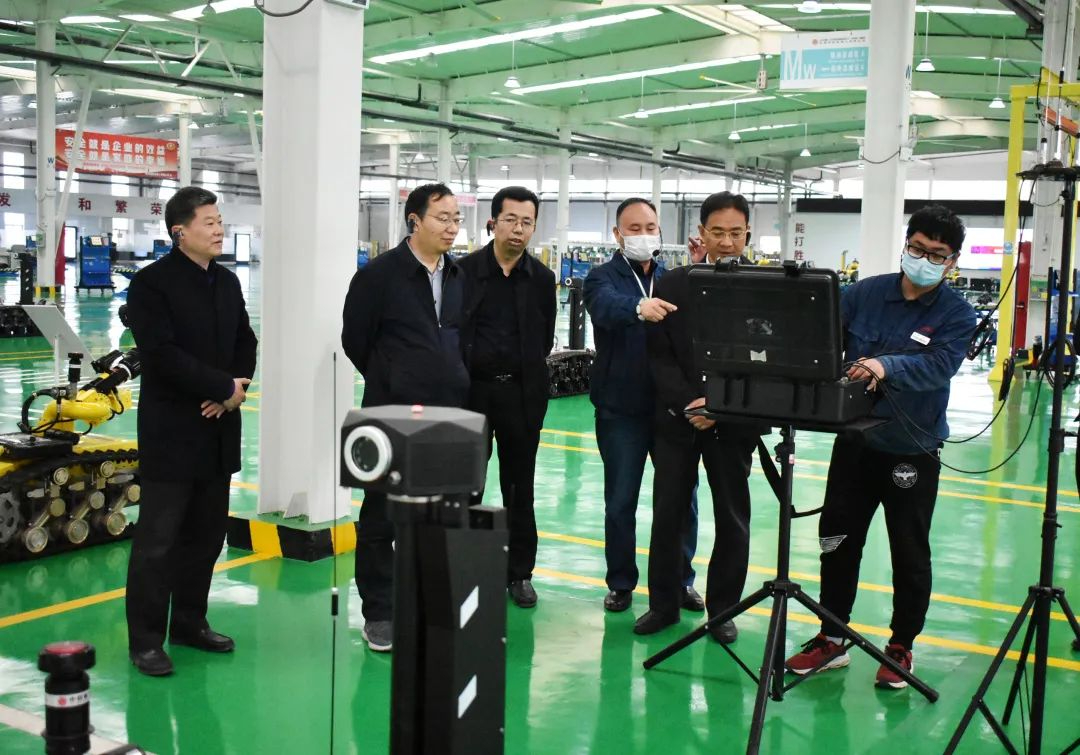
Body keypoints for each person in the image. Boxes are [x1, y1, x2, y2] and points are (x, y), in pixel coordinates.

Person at [785, 204, 977, 689]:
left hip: (911, 448)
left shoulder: (956, 314)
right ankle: (832, 637)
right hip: (855, 443)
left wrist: (885, 365)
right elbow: (821, 341)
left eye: (937, 254)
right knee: (836, 541)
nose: (924, 259)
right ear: (905, 244)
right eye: (917, 248)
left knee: (908, 551)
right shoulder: (864, 294)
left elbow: (939, 366)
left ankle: (901, 645)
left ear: (952, 261)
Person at [124, 186, 258, 677]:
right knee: (158, 541)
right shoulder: (151, 285)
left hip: (218, 428)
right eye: (210, 222)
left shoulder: (227, 282)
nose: (220, 230)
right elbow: (160, 354)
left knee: (205, 536)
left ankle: (189, 622)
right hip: (173, 430)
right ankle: (145, 640)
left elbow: (245, 340)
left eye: (220, 221)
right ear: (180, 231)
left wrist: (236, 388)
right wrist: (220, 386)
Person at [341, 183, 469, 653]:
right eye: (442, 218)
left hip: (448, 412)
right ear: (414, 220)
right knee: (382, 516)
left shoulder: (458, 275)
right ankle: (380, 612)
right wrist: (392, 376)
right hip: (390, 411)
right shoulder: (379, 276)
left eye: (456, 219)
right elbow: (355, 339)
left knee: (442, 513)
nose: (452, 228)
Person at [634, 191, 760, 642]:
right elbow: (659, 355)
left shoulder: (764, 288)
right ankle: (663, 604)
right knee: (668, 513)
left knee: (732, 517)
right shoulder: (672, 284)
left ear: (747, 235)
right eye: (717, 232)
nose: (726, 242)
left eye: (735, 233)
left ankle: (723, 610)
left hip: (734, 422)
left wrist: (720, 407)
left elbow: (764, 361)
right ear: (702, 233)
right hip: (678, 420)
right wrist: (691, 402)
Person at [583, 197, 703, 615]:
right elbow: (604, 306)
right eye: (633, 229)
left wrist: (698, 271)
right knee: (621, 500)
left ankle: (681, 580)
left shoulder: (673, 278)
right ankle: (621, 582)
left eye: (650, 227)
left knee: (681, 500)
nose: (642, 235)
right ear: (617, 235)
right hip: (622, 409)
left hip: (671, 408)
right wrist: (638, 307)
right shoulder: (602, 277)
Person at [459, 186, 556, 608]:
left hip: (520, 396)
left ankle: (519, 573)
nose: (518, 229)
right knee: (466, 488)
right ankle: (466, 570)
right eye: (510, 219)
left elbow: (545, 338)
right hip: (471, 395)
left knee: (520, 489)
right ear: (493, 222)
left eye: (527, 222)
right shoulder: (462, 273)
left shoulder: (542, 280)